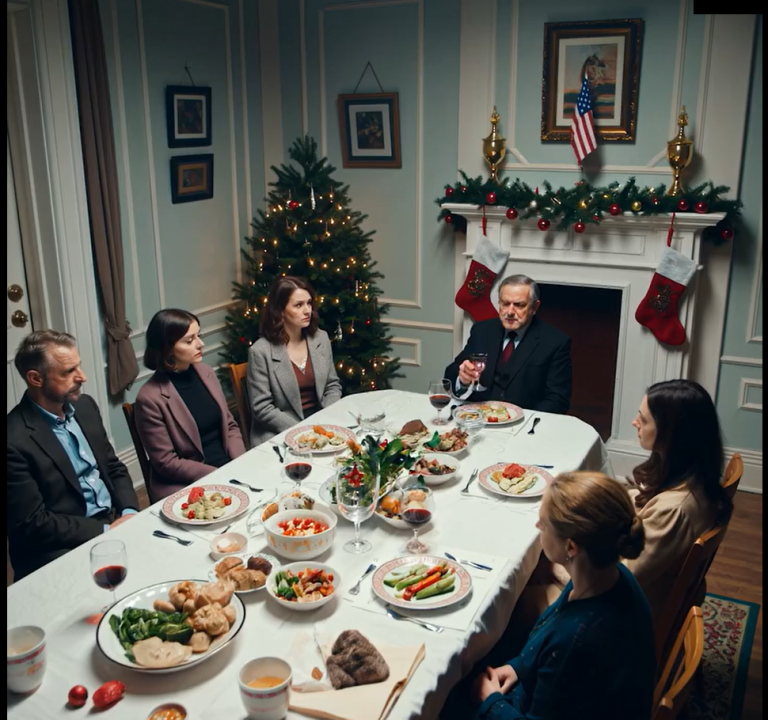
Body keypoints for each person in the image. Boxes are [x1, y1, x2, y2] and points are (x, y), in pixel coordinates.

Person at [534, 379, 734, 623]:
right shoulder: (693, 477)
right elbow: (640, 499)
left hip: (625, 615)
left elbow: (616, 580)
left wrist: (555, 565)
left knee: (527, 590)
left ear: (672, 433)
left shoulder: (676, 509)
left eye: (645, 419)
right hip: (645, 592)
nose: (634, 422)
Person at [472, 472, 656, 720]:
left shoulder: (576, 640)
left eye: (544, 524)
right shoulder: (609, 574)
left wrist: (492, 701)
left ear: (571, 547)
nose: (537, 527)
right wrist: (519, 667)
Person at [7, 331, 139, 580]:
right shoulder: (13, 440)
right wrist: (106, 530)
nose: (83, 377)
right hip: (58, 548)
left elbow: (112, 467)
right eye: (69, 371)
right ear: (35, 378)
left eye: (79, 365)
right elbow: (34, 523)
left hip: (114, 524)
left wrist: (130, 512)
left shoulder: (85, 407)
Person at [134, 309, 246, 501]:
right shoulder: (149, 398)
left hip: (229, 466)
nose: (200, 344)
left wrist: (240, 463)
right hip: (187, 483)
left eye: (199, 336)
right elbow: (166, 462)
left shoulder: (206, 372)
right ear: (167, 349)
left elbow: (230, 425)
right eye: (189, 340)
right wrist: (218, 475)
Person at [445, 275, 572, 413]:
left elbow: (557, 400)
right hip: (479, 417)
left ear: (534, 307)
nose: (510, 312)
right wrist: (463, 380)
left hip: (524, 424)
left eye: (519, 305)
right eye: (505, 304)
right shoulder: (482, 330)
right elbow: (451, 373)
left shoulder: (555, 342)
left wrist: (525, 420)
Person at [248, 276, 342, 446]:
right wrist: (303, 429)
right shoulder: (260, 351)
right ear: (280, 311)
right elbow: (262, 409)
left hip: (321, 423)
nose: (307, 311)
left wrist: (326, 420)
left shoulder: (320, 338)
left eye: (309, 303)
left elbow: (332, 385)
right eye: (298, 305)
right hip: (281, 430)